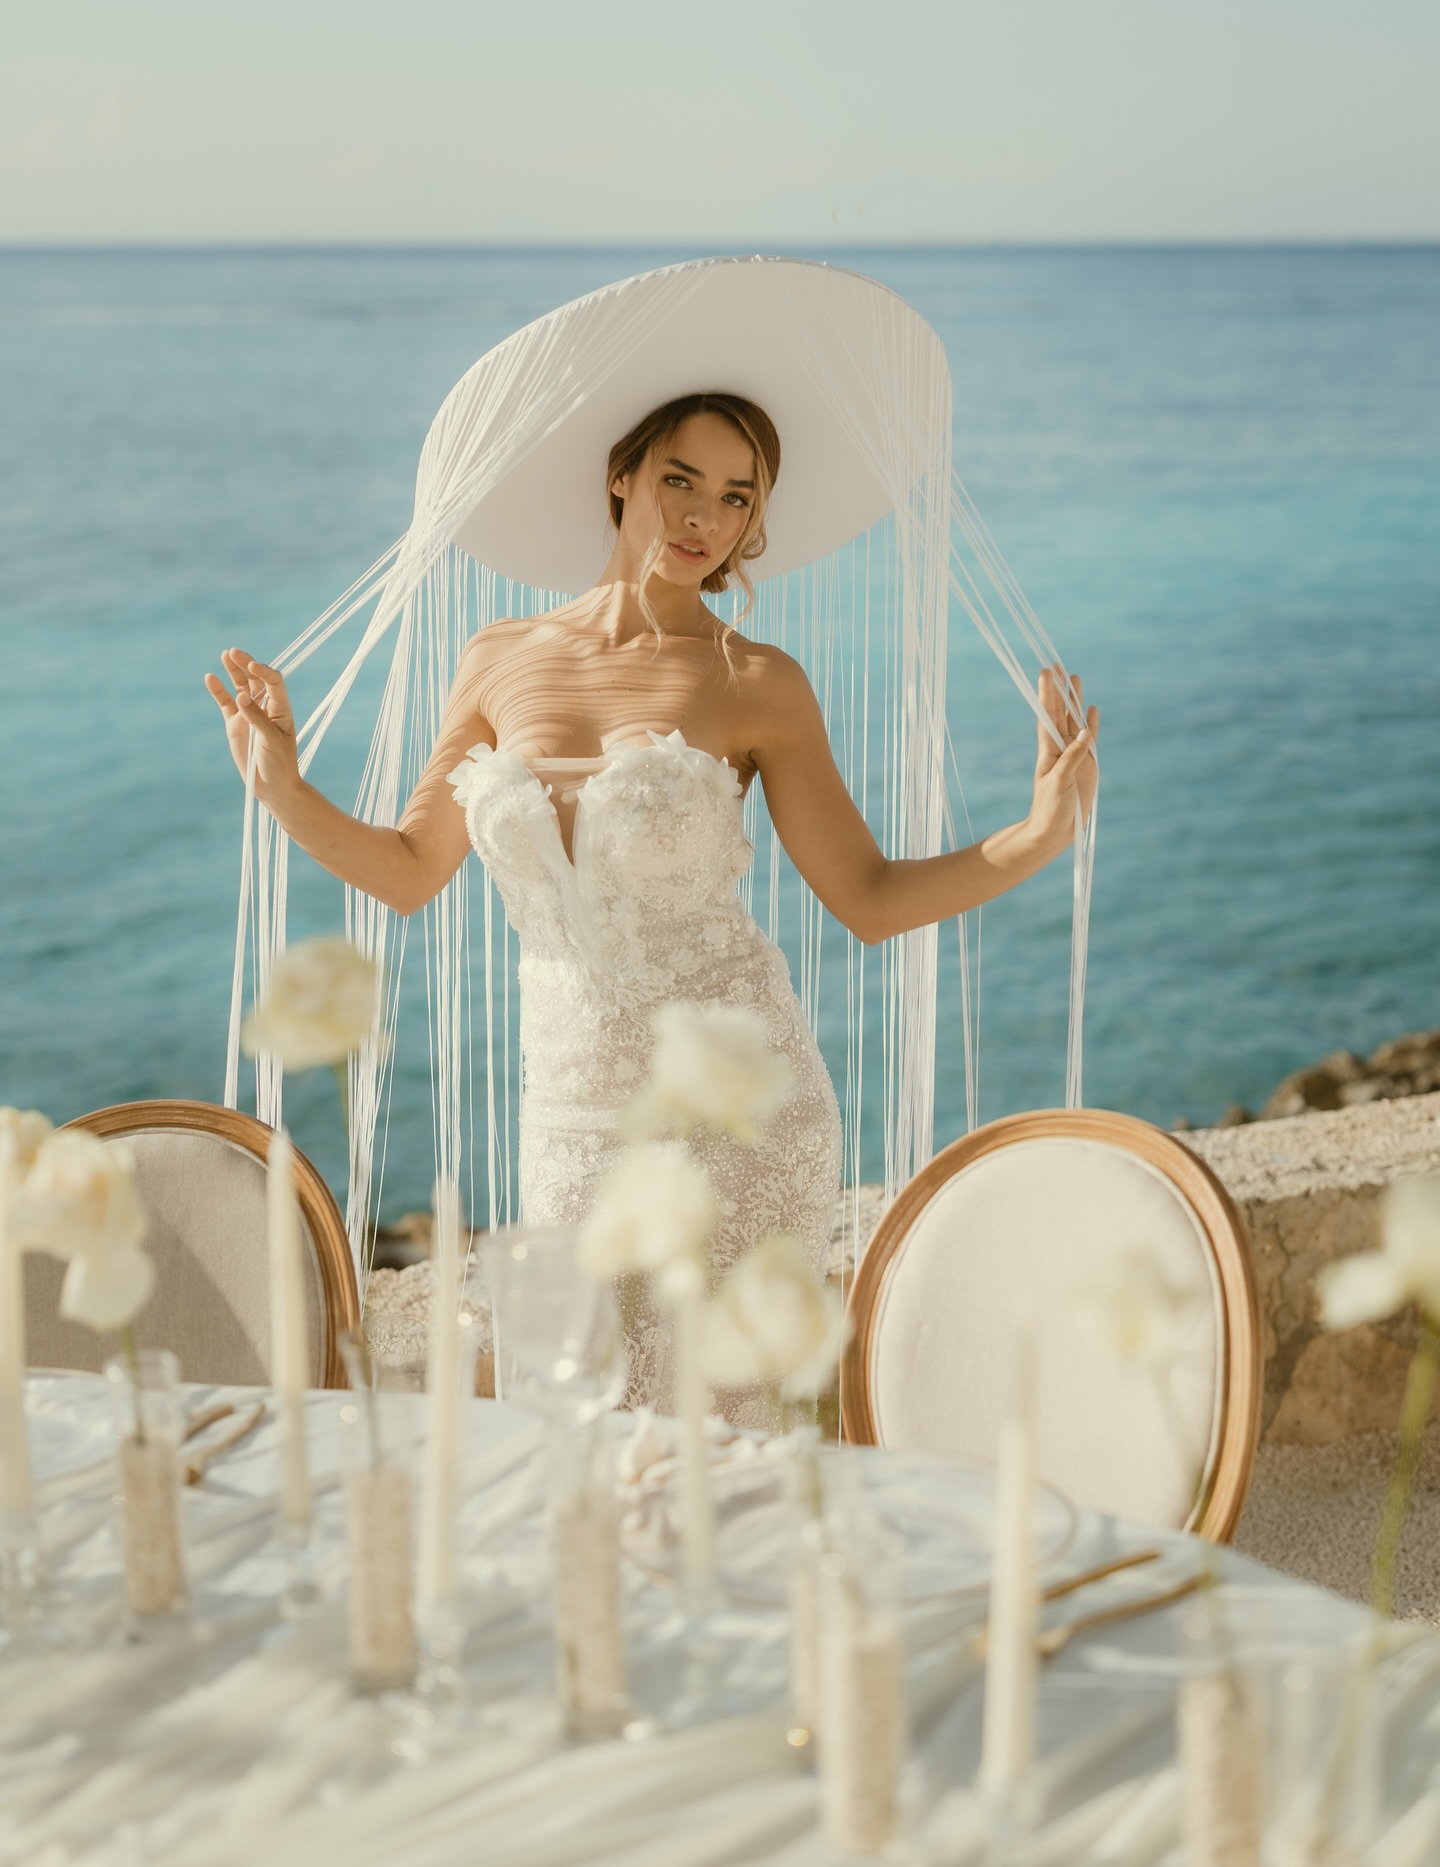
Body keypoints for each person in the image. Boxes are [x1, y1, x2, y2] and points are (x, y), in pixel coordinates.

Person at [206, 389, 1098, 1412]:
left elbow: (868, 894)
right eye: (680, 479)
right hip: (572, 1115)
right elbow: (410, 867)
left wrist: (1037, 838)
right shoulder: (499, 658)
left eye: (733, 496)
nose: (701, 518)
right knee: (589, 1430)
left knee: (734, 1448)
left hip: (742, 1111)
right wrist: (281, 786)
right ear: (621, 475)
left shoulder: (758, 680)